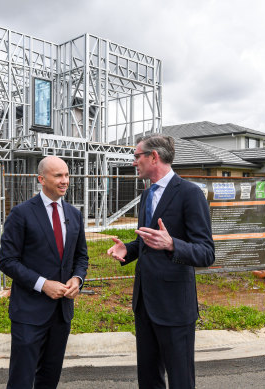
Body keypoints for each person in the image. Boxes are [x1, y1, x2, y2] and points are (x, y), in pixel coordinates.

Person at [107, 134, 215, 388]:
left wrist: (172, 244)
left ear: (153, 157)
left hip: (175, 307)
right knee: (149, 378)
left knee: (180, 379)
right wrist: (129, 250)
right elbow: (148, 240)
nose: (134, 163)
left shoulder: (190, 194)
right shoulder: (147, 195)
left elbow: (207, 253)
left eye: (137, 156)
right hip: (144, 304)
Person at [0, 155, 89, 389]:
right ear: (41, 179)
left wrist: (77, 279)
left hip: (61, 314)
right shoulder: (21, 214)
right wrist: (42, 284)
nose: (65, 180)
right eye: (58, 175)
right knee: (21, 379)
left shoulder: (74, 214)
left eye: (67, 175)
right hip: (29, 313)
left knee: (49, 378)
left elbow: (81, 257)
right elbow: (7, 260)